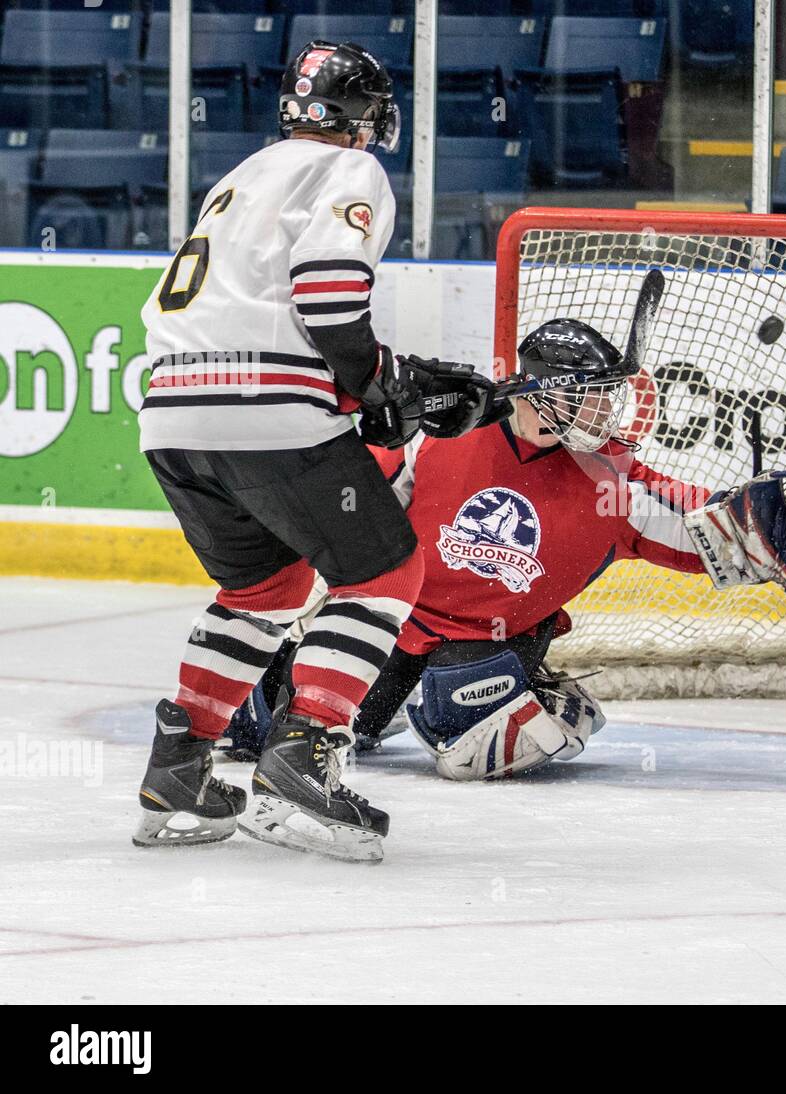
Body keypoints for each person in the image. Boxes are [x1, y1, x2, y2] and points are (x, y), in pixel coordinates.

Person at [132, 40, 504, 862]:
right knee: (387, 572)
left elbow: (248, 310)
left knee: (267, 587)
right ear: (366, 118)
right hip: (263, 411)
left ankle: (182, 763)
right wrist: (378, 384)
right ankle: (305, 753)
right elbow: (328, 296)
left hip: (170, 412)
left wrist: (369, 389)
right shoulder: (348, 173)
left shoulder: (242, 176)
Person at [221, 316, 786, 782]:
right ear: (541, 399)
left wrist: (763, 526)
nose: (605, 411)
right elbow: (352, 498)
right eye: (589, 395)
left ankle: (521, 695)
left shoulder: (611, 483)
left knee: (467, 742)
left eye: (607, 395)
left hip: (489, 640)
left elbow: (699, 528)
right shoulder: (440, 440)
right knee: (271, 720)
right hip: (396, 620)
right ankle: (361, 704)